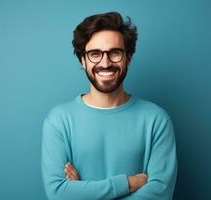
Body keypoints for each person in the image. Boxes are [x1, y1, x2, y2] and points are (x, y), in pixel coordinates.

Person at [41, 11, 177, 200]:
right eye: (95, 54)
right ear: (83, 60)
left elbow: (159, 195)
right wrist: (129, 183)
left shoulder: (156, 120)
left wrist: (83, 192)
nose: (105, 63)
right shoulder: (59, 121)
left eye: (115, 53)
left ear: (128, 58)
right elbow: (58, 194)